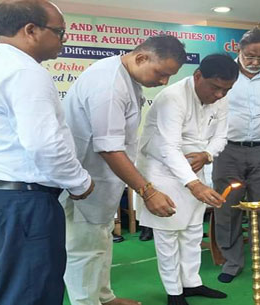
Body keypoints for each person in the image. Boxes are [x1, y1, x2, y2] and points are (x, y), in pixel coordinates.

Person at [0, 1, 95, 304]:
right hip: (21, 200)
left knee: (20, 288)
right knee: (31, 292)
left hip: (6, 197)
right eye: (60, 32)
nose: (65, 40)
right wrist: (79, 182)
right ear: (31, 30)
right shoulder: (25, 71)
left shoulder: (3, 66)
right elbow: (44, 144)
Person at [61, 35, 186, 305]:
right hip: (84, 182)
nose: (164, 82)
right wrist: (148, 191)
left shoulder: (127, 78)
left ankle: (104, 297)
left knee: (101, 242)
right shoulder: (109, 84)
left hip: (103, 181)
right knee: (85, 250)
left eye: (169, 76)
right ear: (141, 57)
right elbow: (109, 148)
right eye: (161, 73)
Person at [136, 54, 238, 305]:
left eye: (226, 89)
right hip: (161, 168)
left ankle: (191, 283)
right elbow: (169, 148)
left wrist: (207, 154)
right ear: (197, 76)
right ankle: (174, 292)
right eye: (215, 87)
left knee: (193, 231)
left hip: (195, 165)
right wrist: (194, 184)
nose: (219, 95)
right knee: (169, 233)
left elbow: (222, 137)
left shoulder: (221, 98)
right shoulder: (173, 97)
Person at [212, 28, 260, 283]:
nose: (256, 62)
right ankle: (232, 262)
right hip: (227, 150)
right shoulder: (225, 74)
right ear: (239, 51)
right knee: (228, 207)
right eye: (250, 57)